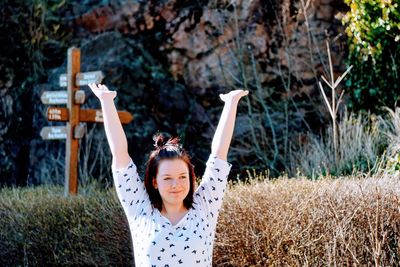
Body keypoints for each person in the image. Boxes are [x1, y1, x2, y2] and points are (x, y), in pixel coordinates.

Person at [88, 83, 248, 266]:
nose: (176, 184)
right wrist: (106, 101)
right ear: (154, 181)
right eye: (167, 178)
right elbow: (120, 154)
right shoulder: (140, 209)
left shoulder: (204, 207)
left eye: (182, 177)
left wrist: (231, 103)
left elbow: (219, 154)